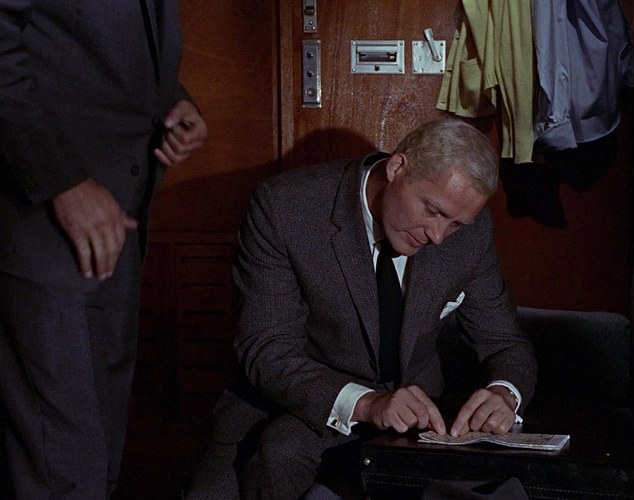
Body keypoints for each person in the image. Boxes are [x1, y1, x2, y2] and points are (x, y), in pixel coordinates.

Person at [187, 119, 536, 499]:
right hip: (291, 399)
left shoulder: (468, 230)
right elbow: (267, 348)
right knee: (273, 455)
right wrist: (367, 403)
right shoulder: (285, 207)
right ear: (397, 167)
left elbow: (506, 343)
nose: (438, 237)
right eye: (432, 211)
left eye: (455, 224)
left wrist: (504, 393)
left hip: (419, 417)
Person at [0, 1, 207, 498]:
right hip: (44, 227)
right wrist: (63, 182)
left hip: (117, 225)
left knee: (97, 463)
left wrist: (175, 102)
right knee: (66, 470)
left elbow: (78, 50)